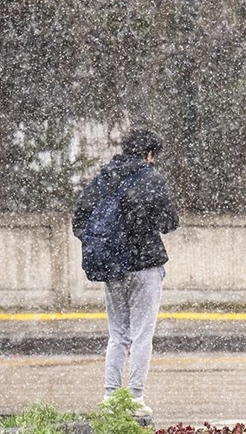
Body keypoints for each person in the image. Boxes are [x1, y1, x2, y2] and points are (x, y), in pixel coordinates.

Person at [72, 128, 179, 417]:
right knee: (143, 334)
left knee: (117, 334)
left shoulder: (103, 177)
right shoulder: (151, 179)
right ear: (149, 153)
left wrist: (105, 243)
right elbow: (170, 222)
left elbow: (80, 218)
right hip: (145, 266)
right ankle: (134, 397)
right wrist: (141, 230)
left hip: (112, 266)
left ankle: (109, 397)